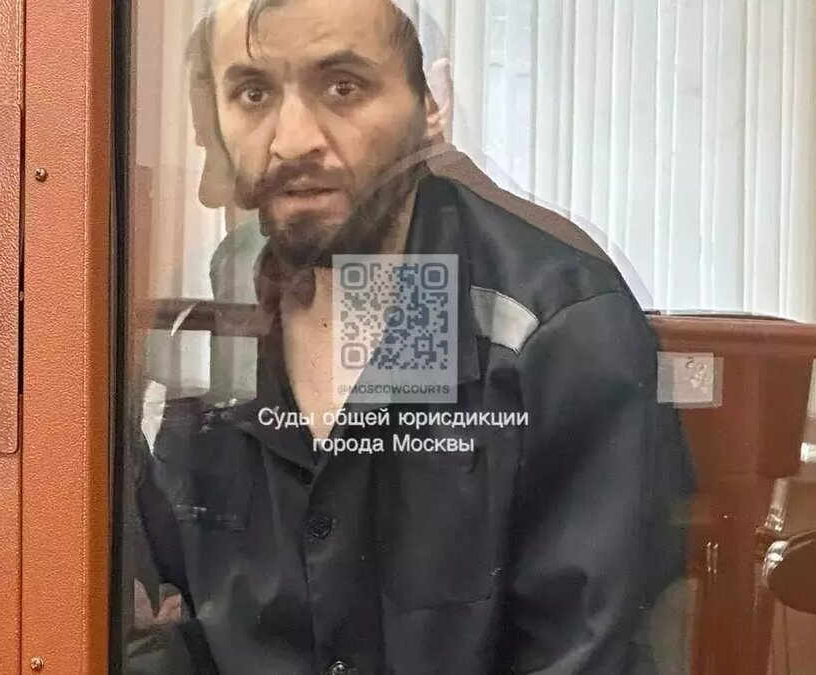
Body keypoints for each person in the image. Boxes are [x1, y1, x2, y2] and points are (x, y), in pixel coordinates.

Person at [133, 0, 693, 672]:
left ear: (432, 104)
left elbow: (588, 650)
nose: (292, 140)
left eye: (343, 86)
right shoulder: (211, 304)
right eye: (253, 92)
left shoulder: (549, 325)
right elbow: (159, 607)